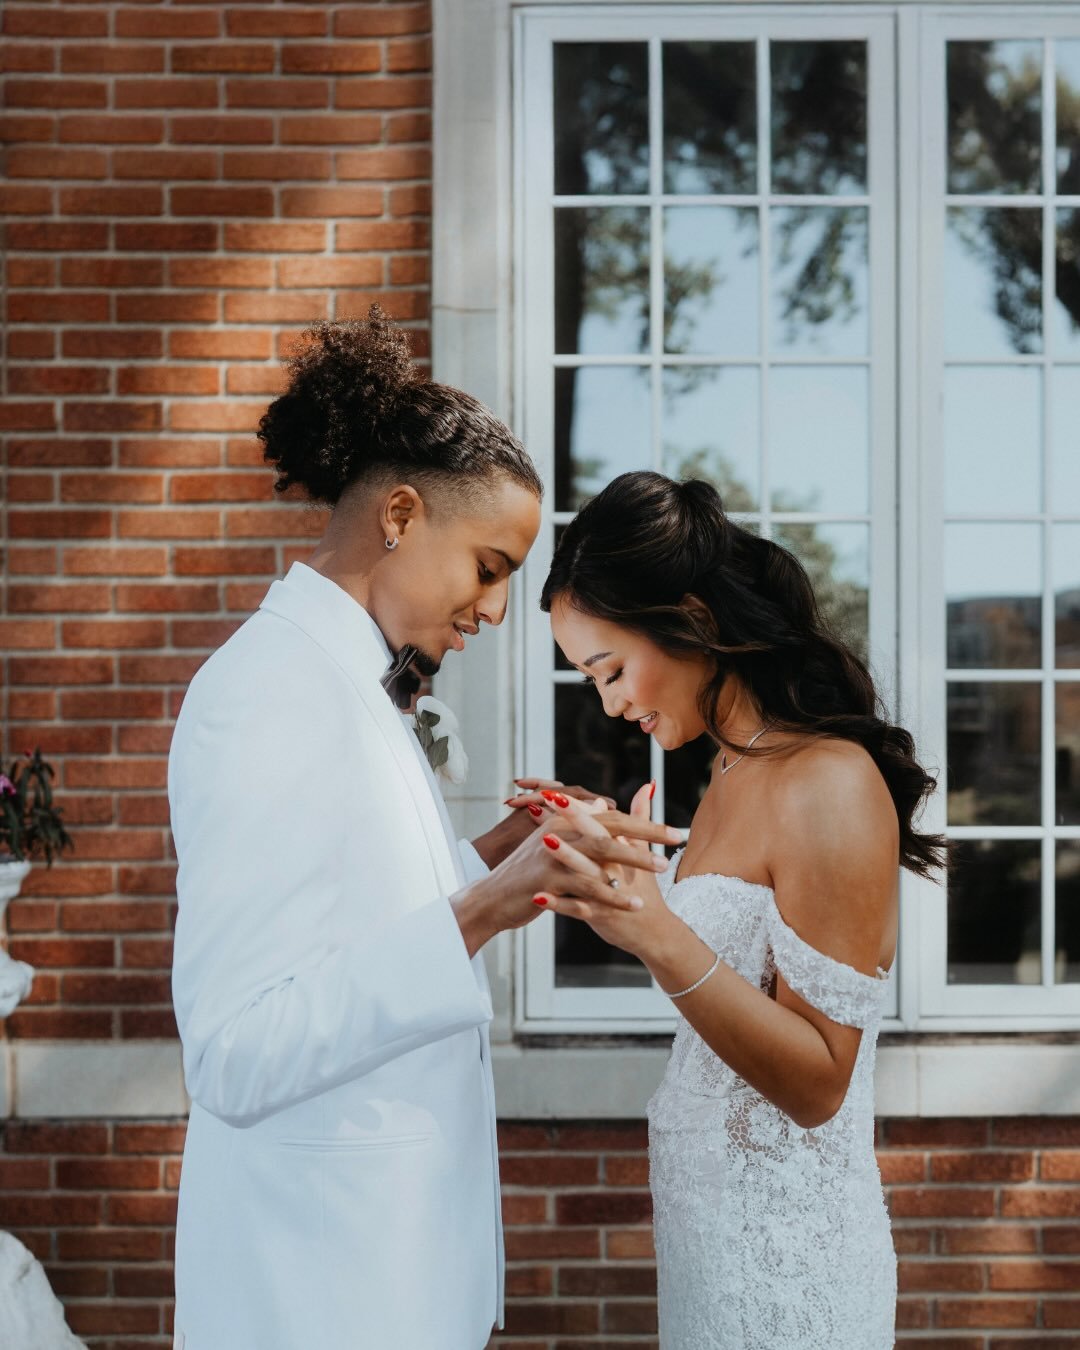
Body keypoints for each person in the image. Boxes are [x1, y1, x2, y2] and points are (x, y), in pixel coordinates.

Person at [167, 311, 677, 1350]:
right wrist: (486, 908)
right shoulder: (266, 694)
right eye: (490, 567)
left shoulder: (355, 684)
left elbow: (353, 919)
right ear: (400, 514)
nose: (493, 610)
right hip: (316, 1289)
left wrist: (509, 852)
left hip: (391, 1275)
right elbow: (233, 1051)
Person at [534, 470, 946, 1349]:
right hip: (710, 1254)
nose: (609, 703)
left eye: (609, 669)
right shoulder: (724, 778)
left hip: (793, 1268)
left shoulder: (828, 782)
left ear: (693, 621)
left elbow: (818, 1082)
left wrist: (649, 927)